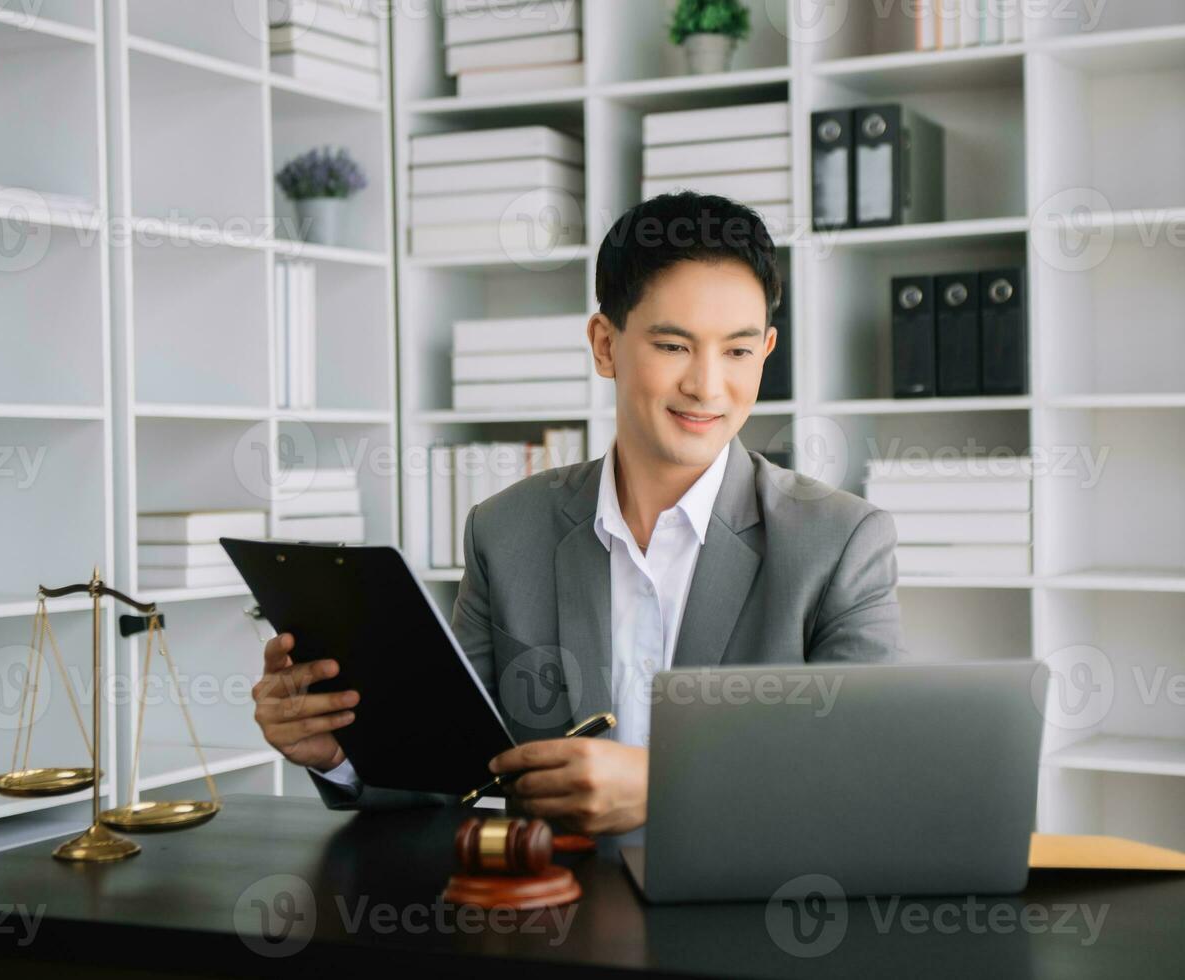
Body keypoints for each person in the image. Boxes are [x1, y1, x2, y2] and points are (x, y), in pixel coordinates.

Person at [251, 192, 905, 835]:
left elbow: (860, 780)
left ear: (765, 351)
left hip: (746, 921)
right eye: (674, 346)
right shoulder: (504, 532)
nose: (707, 385)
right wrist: (337, 755)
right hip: (555, 921)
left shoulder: (839, 542)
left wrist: (665, 787)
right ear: (604, 344)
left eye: (736, 351)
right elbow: (447, 773)